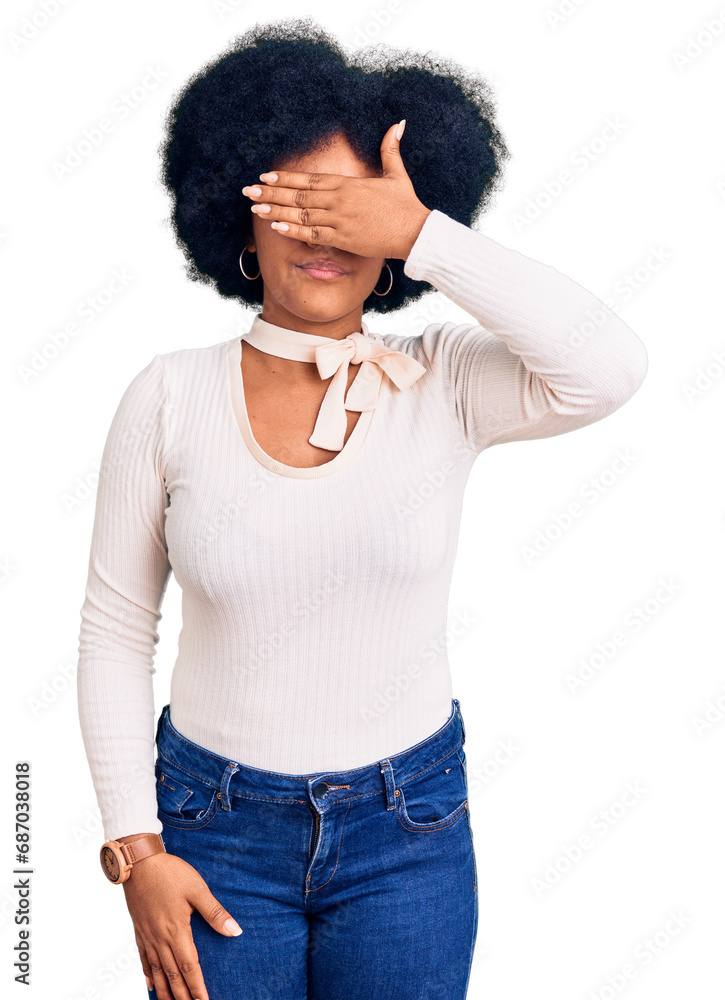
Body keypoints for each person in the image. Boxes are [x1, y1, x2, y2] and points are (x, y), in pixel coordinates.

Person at [76, 17, 648, 1000]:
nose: (328, 233)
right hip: (213, 830)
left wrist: (425, 237)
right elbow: (115, 627)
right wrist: (134, 850)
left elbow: (609, 367)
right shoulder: (166, 395)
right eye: (298, 201)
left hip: (407, 835)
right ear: (239, 216)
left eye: (356, 209)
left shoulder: (444, 380)